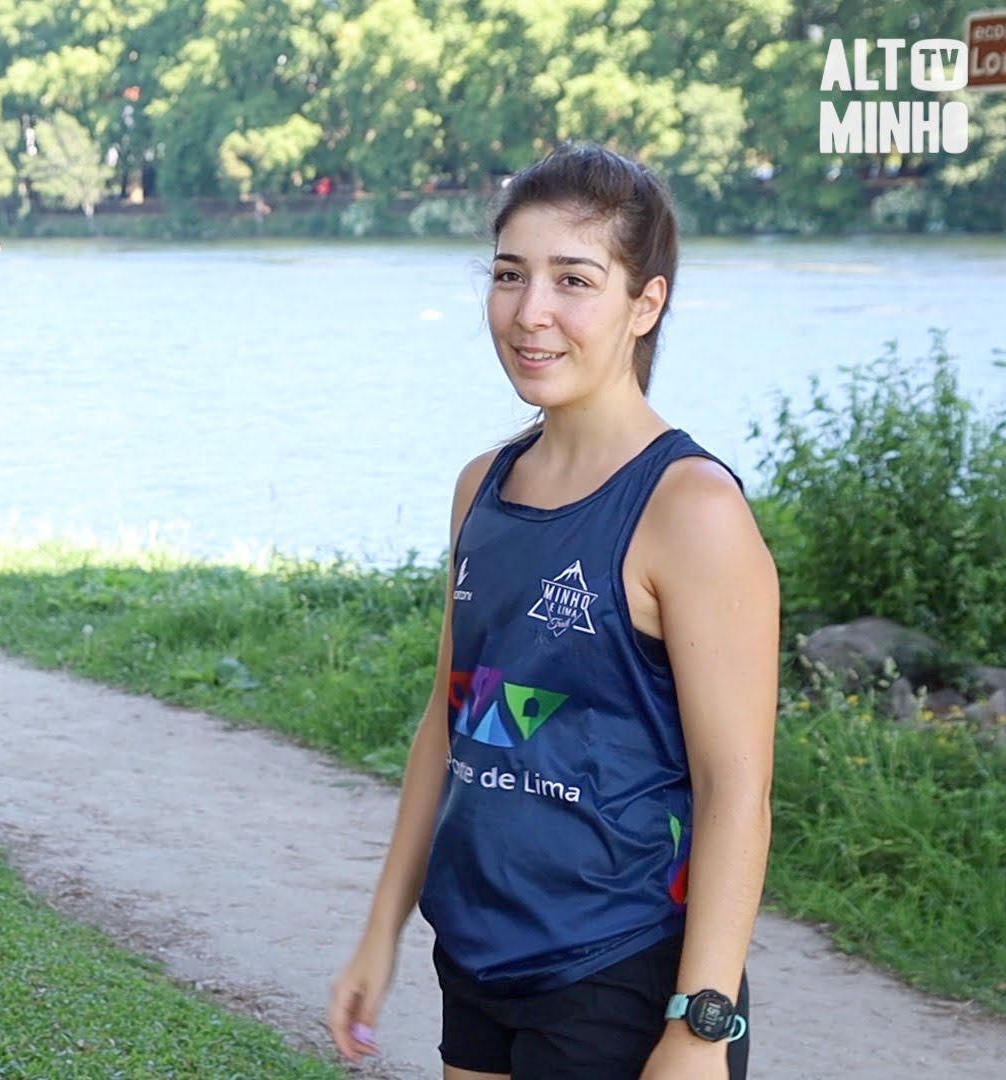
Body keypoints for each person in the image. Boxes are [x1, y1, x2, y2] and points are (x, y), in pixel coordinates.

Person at [326, 143, 778, 1079]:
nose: (530, 311)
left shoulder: (689, 509)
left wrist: (701, 1026)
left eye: (574, 280)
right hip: (478, 953)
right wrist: (381, 932)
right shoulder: (482, 487)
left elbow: (736, 790)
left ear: (644, 303)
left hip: (619, 968)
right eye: (508, 275)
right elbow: (449, 723)